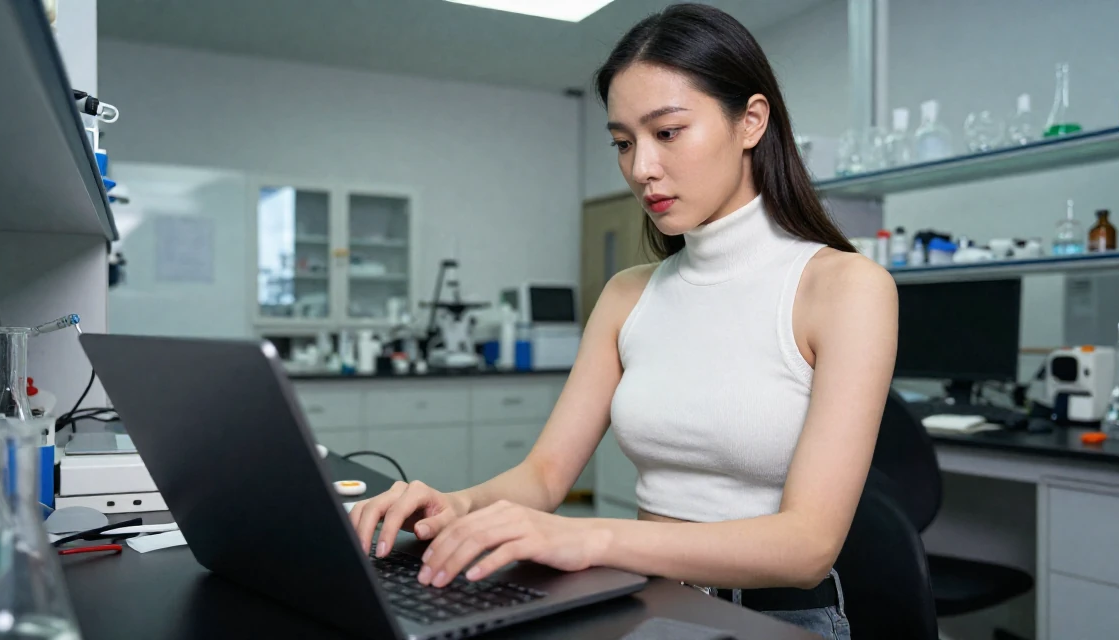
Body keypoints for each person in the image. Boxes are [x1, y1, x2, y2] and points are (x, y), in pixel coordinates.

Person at [349, 4, 897, 638]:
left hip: (769, 616)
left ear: (750, 121)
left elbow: (807, 547)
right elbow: (545, 475)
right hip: (640, 601)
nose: (641, 169)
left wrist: (588, 539)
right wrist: (457, 505)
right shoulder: (627, 294)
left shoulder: (847, 288)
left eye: (667, 132)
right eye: (623, 142)